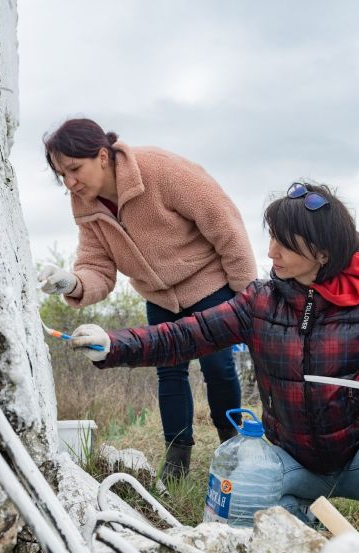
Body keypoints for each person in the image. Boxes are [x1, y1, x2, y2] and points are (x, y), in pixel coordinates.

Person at [67, 183, 359, 548]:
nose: (271, 252)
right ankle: (314, 541)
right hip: (291, 461)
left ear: (321, 254)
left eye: (284, 244)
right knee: (243, 486)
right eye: (271, 238)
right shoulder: (261, 301)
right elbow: (185, 335)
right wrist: (113, 345)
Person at [39, 118, 257, 481]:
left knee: (217, 367)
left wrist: (247, 295)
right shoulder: (86, 204)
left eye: (75, 169)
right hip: (159, 296)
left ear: (103, 155)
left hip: (208, 284)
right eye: (62, 174)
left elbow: (225, 225)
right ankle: (176, 459)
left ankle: (230, 445)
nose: (70, 182)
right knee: (169, 371)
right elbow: (97, 268)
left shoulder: (161, 170)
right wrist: (71, 283)